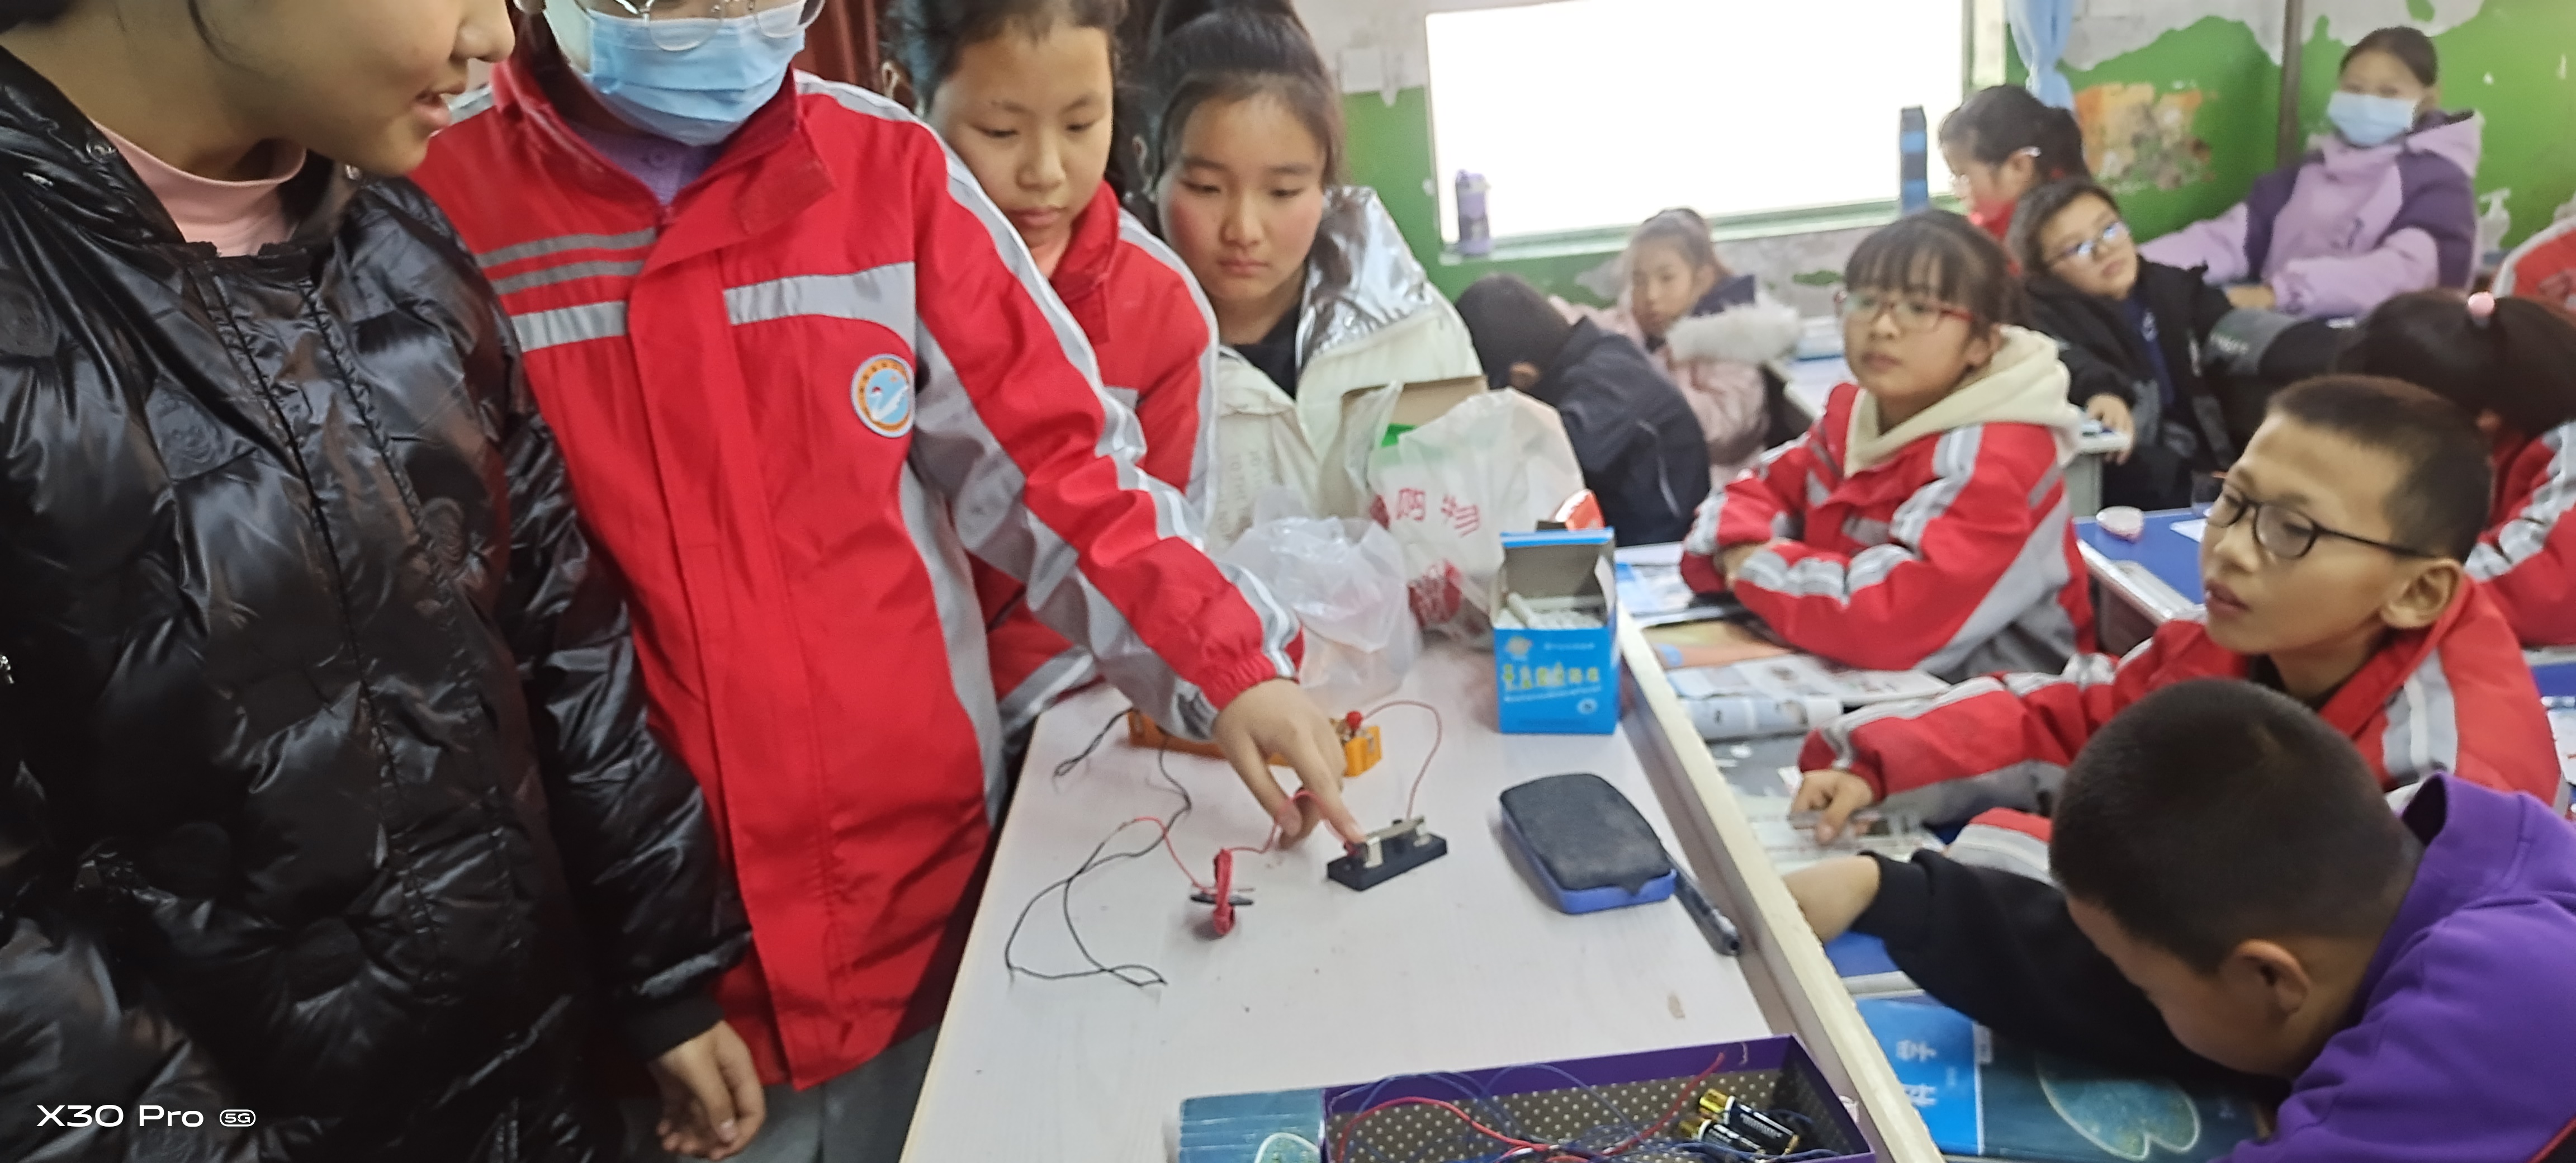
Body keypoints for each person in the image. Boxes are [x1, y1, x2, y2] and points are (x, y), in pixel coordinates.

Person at [411, 1, 1361, 1157]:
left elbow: (1057, 464)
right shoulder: (436, 201)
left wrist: (1226, 662)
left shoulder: (883, 171)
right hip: (657, 967)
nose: (723, 18)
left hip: (923, 907)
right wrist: (649, 979)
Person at [0, 0, 760, 1158]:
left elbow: (554, 624)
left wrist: (663, 965)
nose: (496, 36)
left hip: (533, 1089)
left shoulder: (393, 236)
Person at [1789, 680, 2576, 1162]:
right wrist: (1892, 894)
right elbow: (2149, 956)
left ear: (2270, 977)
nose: (2137, 997)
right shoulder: (2399, 871)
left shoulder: (2497, 1008)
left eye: (2148, 990)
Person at [1793, 376, 2564, 844]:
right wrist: (1880, 762)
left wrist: (1965, 875)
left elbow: (2260, 928)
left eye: (2292, 530)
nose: (2230, 550)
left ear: (2418, 591)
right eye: (2234, 501)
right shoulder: (2231, 639)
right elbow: (2081, 723)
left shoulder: (2451, 786)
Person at [883, 0, 1225, 744]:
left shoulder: (1162, 312)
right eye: (1000, 132)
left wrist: (993, 714)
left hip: (1056, 716)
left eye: (1080, 124)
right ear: (904, 97)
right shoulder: (869, 288)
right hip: (891, 715)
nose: (1045, 171)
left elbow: (1152, 551)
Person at [1679, 210, 2094, 682]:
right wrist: (1739, 551)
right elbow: (1756, 491)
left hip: (1999, 700)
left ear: (1982, 342)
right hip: (1868, 680)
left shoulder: (1994, 460)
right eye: (1865, 301)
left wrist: (1752, 565)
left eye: (1919, 308)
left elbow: (1888, 623)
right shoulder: (1859, 416)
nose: (1882, 327)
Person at [1137, 0, 1490, 549]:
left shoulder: (1417, 338)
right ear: (1148, 168)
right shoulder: (1110, 363)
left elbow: (1473, 537)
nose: (1244, 229)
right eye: (1207, 188)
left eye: (1283, 192)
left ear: (1326, 185)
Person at [2143, 27, 2480, 320]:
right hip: (2287, 326)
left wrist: (2281, 293)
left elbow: (2404, 274)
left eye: (2388, 93)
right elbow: (2231, 239)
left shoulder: (2438, 183)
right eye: (2354, 89)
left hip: (2377, 346)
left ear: (2428, 99)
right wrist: (2141, 266)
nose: (2367, 103)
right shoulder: (2313, 170)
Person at [2341, 290, 2576, 648]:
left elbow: (2539, 595)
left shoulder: (2567, 446)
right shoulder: (2500, 432)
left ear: (2485, 419)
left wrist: (2356, 580)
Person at [2011, 178, 2239, 510]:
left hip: (2208, 462)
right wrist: (2101, 391)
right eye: (2078, 248)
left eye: (2109, 229)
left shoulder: (2170, 287)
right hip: (2138, 485)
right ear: (2045, 275)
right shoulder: (2038, 316)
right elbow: (2061, 357)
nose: (2104, 250)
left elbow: (2244, 332)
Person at [1455, 272, 1711, 545]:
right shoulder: (1590, 352)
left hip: (1663, 543)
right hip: (1622, 524)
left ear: (1522, 378)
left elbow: (1552, 458)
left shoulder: (1607, 385)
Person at [1563, 208, 1801, 483]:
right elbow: (1577, 323)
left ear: (1701, 280)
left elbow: (1725, 430)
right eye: (1639, 280)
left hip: (1714, 489)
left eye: (1667, 278)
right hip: (1650, 482)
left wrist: (1647, 389)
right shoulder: (1630, 328)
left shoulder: (1730, 342)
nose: (1651, 295)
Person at [1939, 84, 2089, 246]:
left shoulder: (2064, 235)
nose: (1958, 193)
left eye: (1964, 177)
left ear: (2019, 167)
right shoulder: (1993, 231)